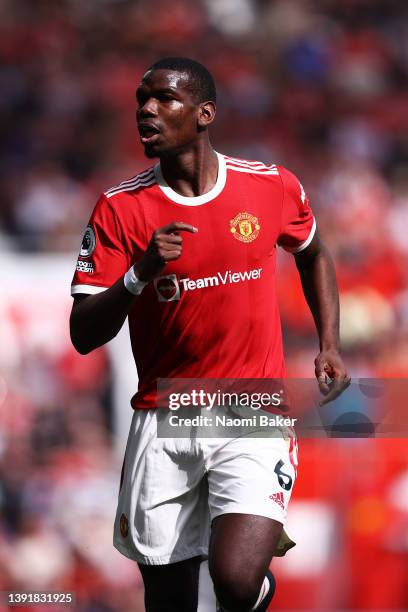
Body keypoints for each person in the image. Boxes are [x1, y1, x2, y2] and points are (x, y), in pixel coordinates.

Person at [70, 57, 350, 612]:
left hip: (252, 409)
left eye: (164, 99)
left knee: (236, 580)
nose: (146, 110)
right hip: (165, 415)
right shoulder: (119, 210)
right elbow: (82, 333)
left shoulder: (269, 186)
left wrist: (329, 343)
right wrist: (139, 273)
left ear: (204, 114)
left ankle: (256, 589)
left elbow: (313, 251)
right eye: (140, 100)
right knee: (169, 601)